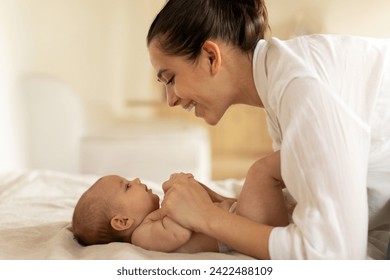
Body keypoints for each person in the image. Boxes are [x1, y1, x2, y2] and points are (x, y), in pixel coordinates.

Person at [146, 0, 390, 259]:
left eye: (170, 79)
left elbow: (331, 254)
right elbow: (310, 205)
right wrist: (233, 211)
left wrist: (209, 218)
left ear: (210, 56)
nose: (171, 99)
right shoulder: (279, 80)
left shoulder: (301, 85)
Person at [72, 151, 289, 253]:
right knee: (262, 172)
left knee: (272, 179)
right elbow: (180, 232)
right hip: (245, 227)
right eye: (128, 186)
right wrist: (173, 200)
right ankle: (312, 145)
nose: (136, 180)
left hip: (239, 217)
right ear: (122, 221)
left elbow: (201, 208)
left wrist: (193, 188)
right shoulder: (142, 237)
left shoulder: (153, 219)